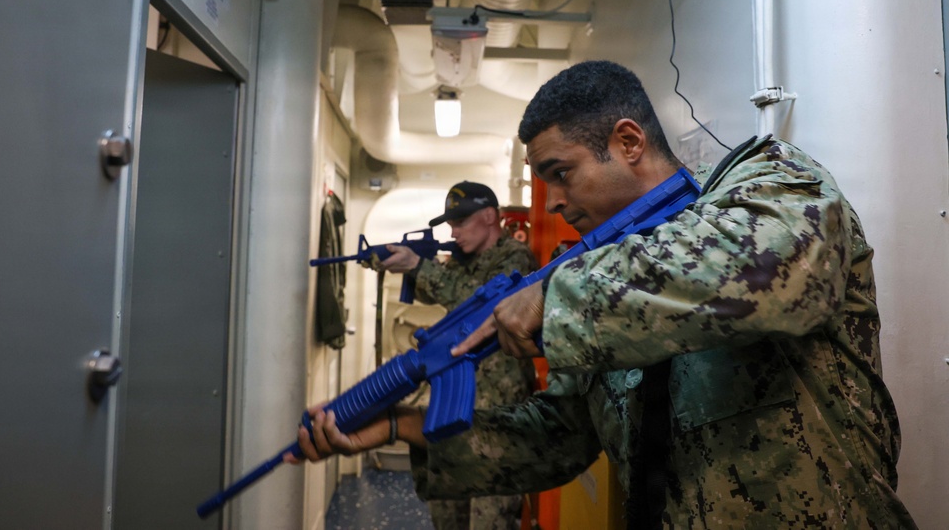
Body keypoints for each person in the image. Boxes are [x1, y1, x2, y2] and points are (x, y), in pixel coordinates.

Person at [288, 61, 917, 529]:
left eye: (562, 173)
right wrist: (402, 426)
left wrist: (557, 294)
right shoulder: (592, 274)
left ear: (628, 142)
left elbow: (779, 273)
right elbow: (555, 438)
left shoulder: (772, 184)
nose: (554, 202)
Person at [377, 181, 539, 530]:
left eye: (462, 221)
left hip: (499, 413)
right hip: (455, 412)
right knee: (447, 513)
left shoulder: (515, 258)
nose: (455, 231)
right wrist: (391, 263)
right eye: (451, 223)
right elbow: (438, 290)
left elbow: (474, 306)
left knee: (490, 518)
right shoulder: (461, 263)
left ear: (490, 216)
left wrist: (419, 267)